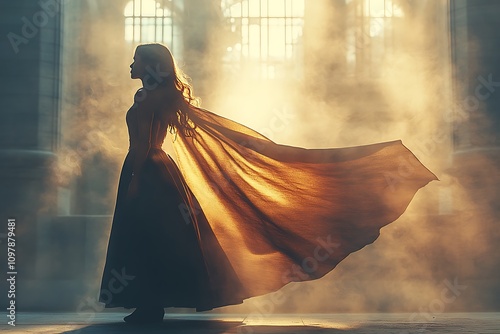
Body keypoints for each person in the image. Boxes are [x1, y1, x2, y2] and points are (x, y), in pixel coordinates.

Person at [99, 43, 437, 324]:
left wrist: (134, 181)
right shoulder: (166, 96)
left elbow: (142, 146)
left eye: (136, 59)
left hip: (146, 168)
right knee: (160, 239)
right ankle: (150, 303)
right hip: (164, 171)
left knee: (144, 237)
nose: (131, 63)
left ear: (149, 65)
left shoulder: (145, 97)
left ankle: (148, 304)